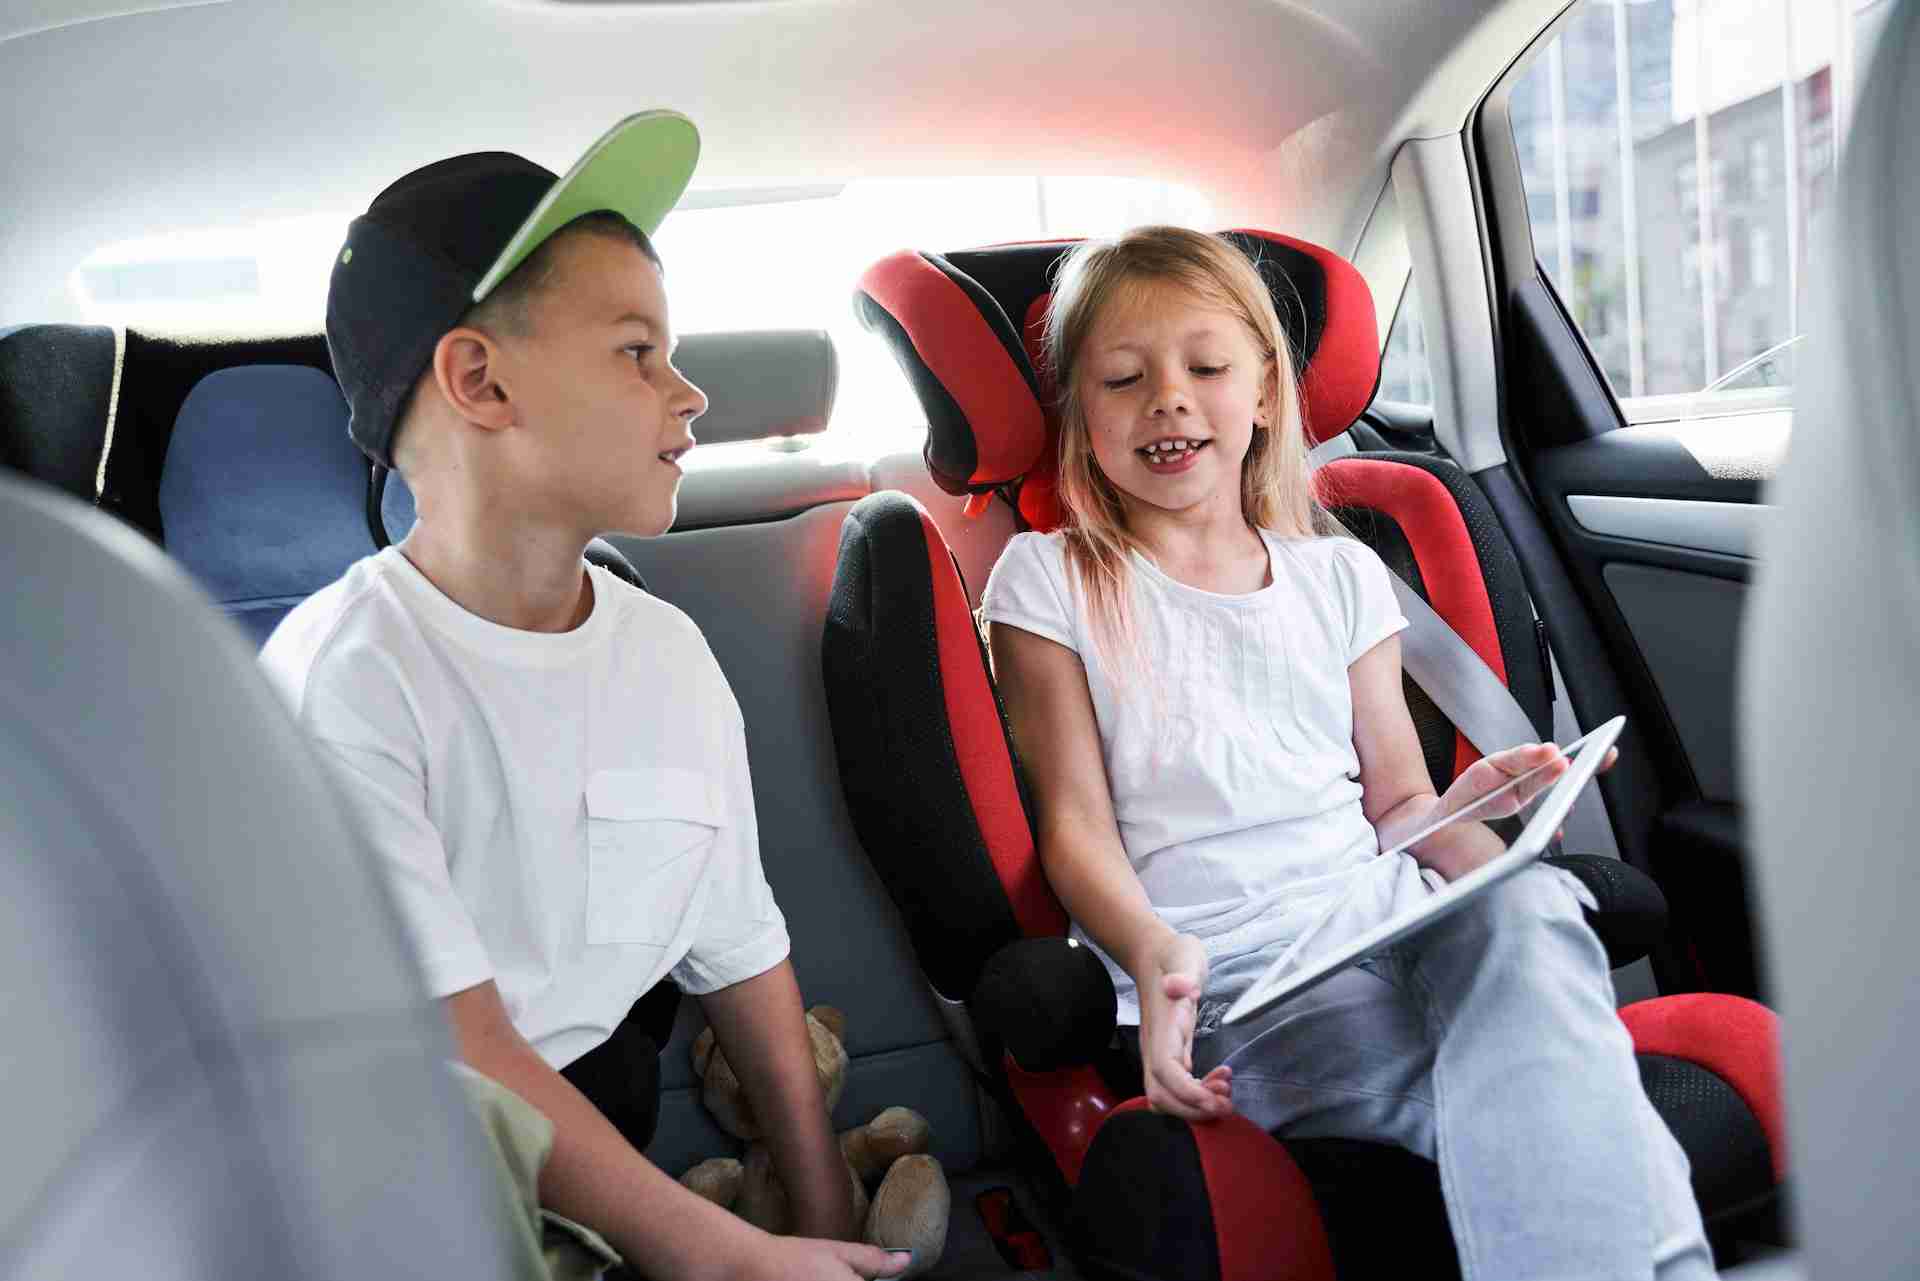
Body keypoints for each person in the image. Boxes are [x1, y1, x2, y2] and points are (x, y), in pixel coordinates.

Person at [979, 225, 1712, 1280]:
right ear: (1081, 415)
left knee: (1537, 908)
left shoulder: (1340, 579)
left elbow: (1400, 809)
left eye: (1207, 368)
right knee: (1505, 1100)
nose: (1169, 400)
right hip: (1249, 970)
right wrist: (1151, 951)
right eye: (1123, 379)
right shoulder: (1050, 582)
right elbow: (1076, 828)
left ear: (1267, 391)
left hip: (1392, 913)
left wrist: (1475, 813)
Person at [260, 112, 910, 1281]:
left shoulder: (667, 654)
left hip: (605, 1139)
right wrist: (725, 1258)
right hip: (415, 1184)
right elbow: (461, 1051)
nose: (690, 393)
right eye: (636, 352)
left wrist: (820, 1217)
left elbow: (740, 953)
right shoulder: (346, 680)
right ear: (481, 379)